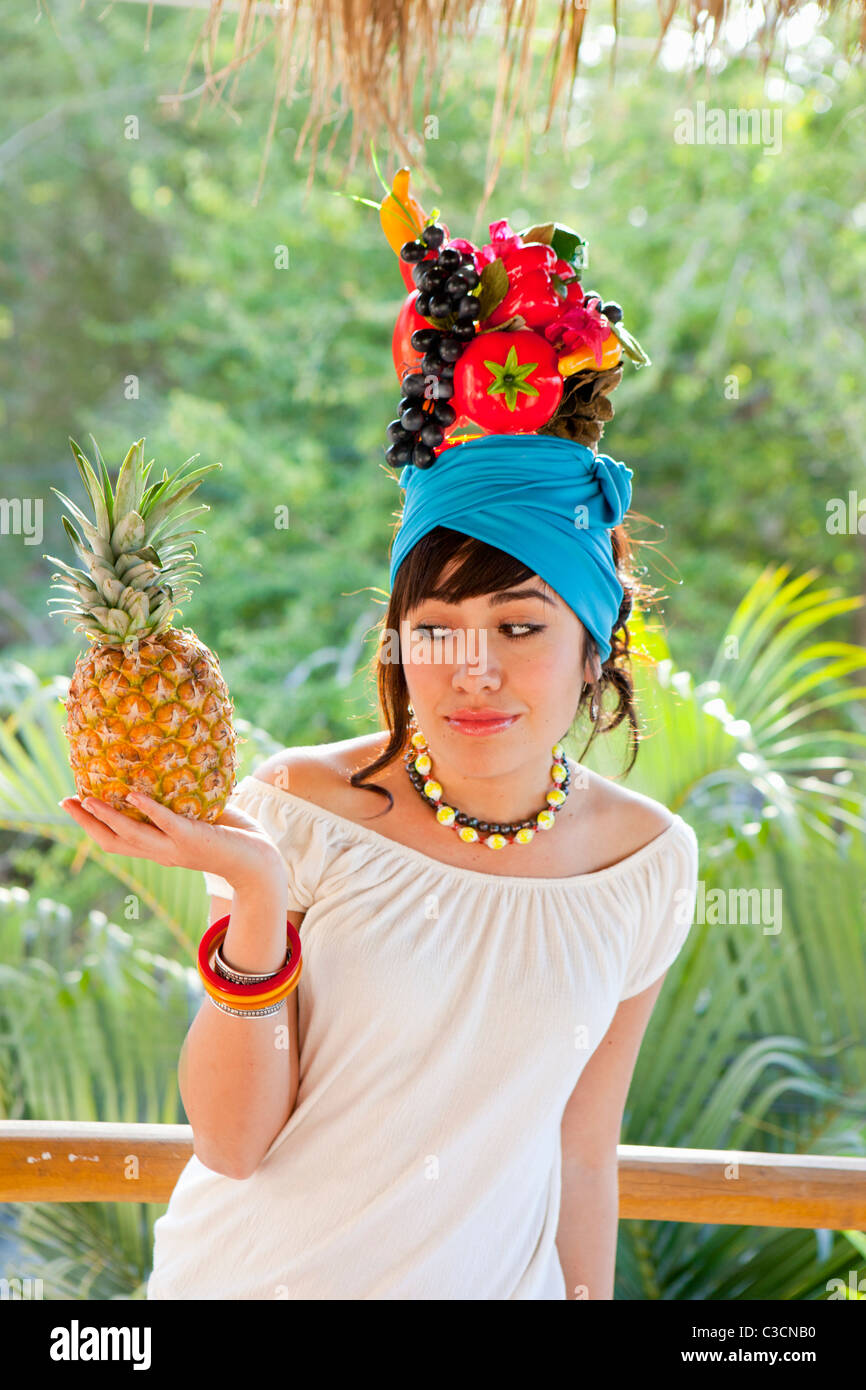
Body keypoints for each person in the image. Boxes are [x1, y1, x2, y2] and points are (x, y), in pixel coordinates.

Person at [60, 203, 699, 1301]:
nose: (473, 669)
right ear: (396, 641)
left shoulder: (644, 863)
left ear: (594, 647)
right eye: (435, 628)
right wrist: (255, 895)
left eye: (519, 626)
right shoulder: (297, 808)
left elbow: (581, 1153)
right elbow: (231, 1143)